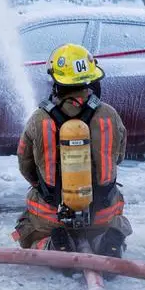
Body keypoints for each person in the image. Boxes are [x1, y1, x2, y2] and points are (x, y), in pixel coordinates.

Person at [12, 43, 132, 258]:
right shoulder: (109, 115)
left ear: (56, 81)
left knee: (28, 231)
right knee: (112, 219)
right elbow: (119, 157)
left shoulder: (39, 119)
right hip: (102, 212)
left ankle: (51, 246)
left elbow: (25, 165)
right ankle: (105, 241)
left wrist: (50, 191)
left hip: (52, 216)